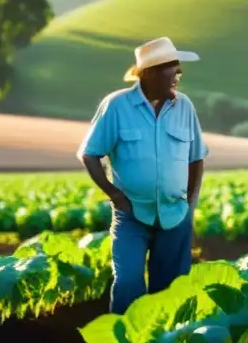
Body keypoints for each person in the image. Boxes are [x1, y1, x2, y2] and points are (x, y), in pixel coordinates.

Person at [77, 36, 208, 314]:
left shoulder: (184, 107)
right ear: (150, 72)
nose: (179, 74)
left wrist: (191, 202)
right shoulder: (117, 106)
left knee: (172, 292)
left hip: (175, 215)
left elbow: (197, 157)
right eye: (173, 67)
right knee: (127, 283)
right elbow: (89, 154)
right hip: (132, 215)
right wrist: (113, 193)